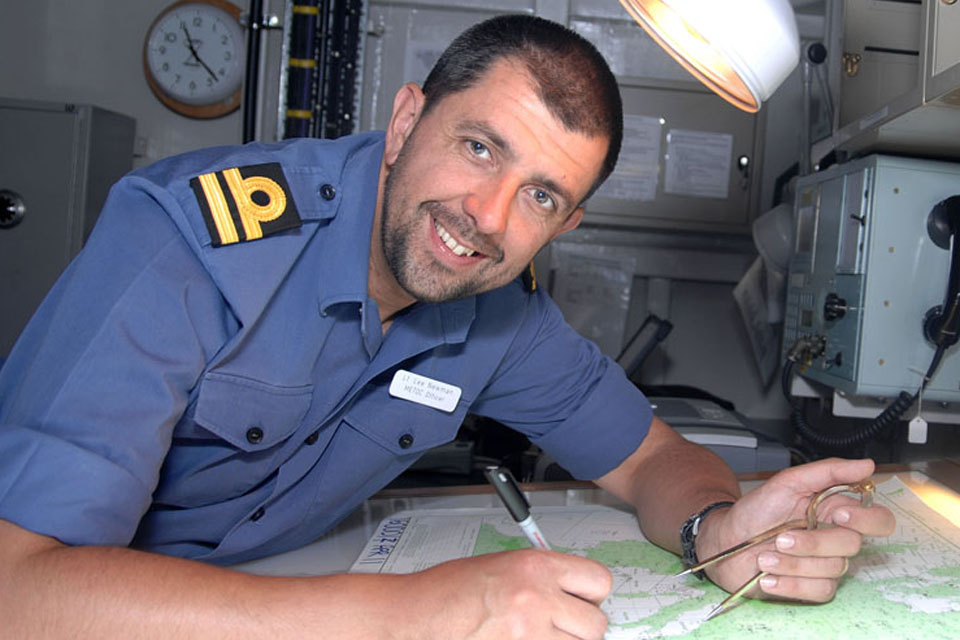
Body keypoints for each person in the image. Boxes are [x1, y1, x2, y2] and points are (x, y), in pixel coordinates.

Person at [0, 14, 893, 639]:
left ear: (565, 224)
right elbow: (17, 592)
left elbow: (653, 458)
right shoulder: (187, 240)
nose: (487, 218)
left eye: (540, 195)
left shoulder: (499, 314)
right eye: (479, 147)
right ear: (403, 122)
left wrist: (716, 530)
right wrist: (412, 615)